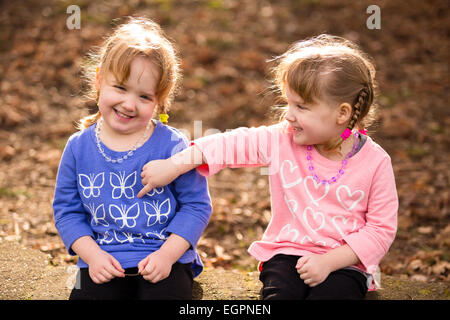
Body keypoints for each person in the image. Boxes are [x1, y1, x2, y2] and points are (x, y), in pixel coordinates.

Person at [138, 34, 398, 300]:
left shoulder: (375, 163)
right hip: (287, 255)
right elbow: (230, 144)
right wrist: (174, 165)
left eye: (301, 107)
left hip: (345, 265)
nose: (289, 114)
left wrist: (330, 262)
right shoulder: (282, 138)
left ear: (342, 113)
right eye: (288, 103)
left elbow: (380, 230)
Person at [53, 17, 212, 300]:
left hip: (166, 260)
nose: (129, 104)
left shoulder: (172, 144)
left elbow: (196, 207)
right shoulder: (78, 147)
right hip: (102, 259)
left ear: (158, 101)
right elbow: (67, 211)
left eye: (144, 97)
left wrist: (166, 256)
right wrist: (92, 257)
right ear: (100, 79)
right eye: (121, 88)